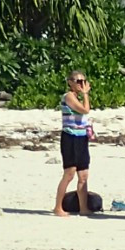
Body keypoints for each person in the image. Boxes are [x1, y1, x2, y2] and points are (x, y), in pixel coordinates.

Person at [54, 71, 93, 216]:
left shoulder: (77, 96)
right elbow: (85, 110)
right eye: (78, 81)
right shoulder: (69, 96)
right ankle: (58, 207)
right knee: (69, 173)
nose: (81, 84)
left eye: (83, 81)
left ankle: (83, 207)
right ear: (70, 82)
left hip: (81, 137)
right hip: (70, 137)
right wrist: (86, 95)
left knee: (83, 174)